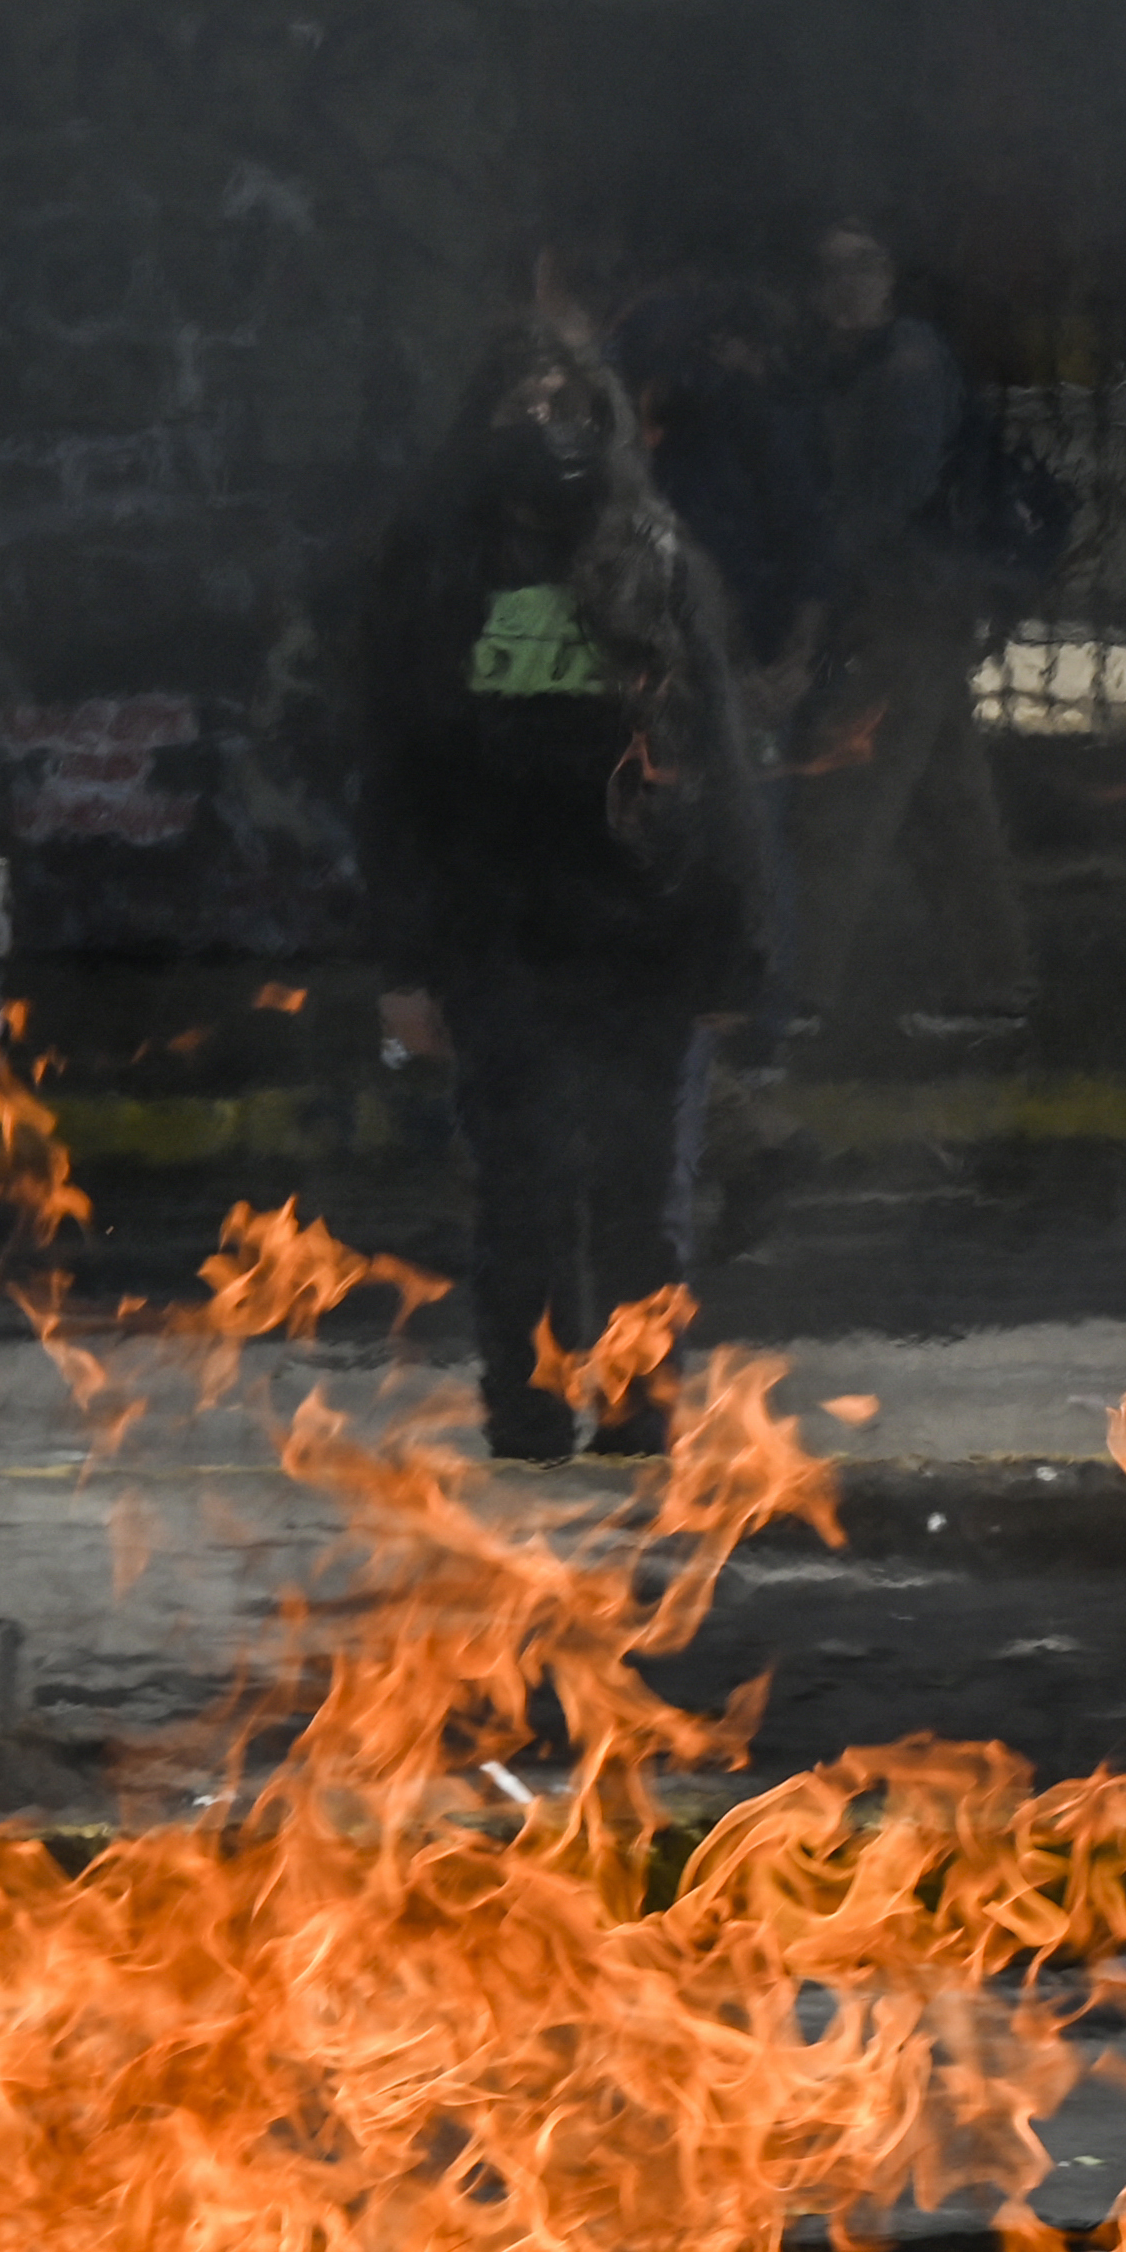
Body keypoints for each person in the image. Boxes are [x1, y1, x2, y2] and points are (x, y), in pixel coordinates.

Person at [351, 304, 771, 1463]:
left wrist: (733, 949)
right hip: (500, 934)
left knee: (643, 1207)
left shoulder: (658, 558)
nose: (542, 428)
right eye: (516, 405)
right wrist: (403, 961)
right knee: (523, 1202)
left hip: (642, 931)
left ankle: (640, 1416)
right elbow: (395, 772)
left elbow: (722, 765)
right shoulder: (435, 563)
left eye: (565, 403)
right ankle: (528, 1414)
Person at [787, 213, 1040, 1070]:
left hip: (902, 607)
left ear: (889, 278)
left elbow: (875, 503)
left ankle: (801, 992)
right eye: (833, 271)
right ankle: (996, 983)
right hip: (926, 603)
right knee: (947, 801)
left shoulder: (903, 369)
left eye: (863, 268)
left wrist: (822, 599)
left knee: (847, 797)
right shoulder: (870, 365)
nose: (847, 287)